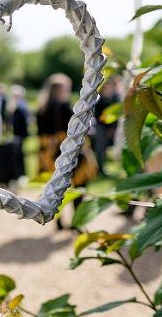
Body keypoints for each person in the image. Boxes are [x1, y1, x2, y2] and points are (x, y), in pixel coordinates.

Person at [36, 74, 98, 229]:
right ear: (59, 90)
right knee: (78, 186)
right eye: (67, 89)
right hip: (67, 151)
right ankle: (76, 223)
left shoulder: (41, 109)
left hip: (48, 154)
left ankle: (58, 221)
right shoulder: (64, 107)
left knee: (56, 188)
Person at [91, 77, 120, 175]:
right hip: (101, 128)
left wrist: (112, 128)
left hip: (111, 128)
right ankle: (99, 169)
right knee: (100, 149)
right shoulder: (99, 99)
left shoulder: (115, 98)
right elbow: (98, 116)